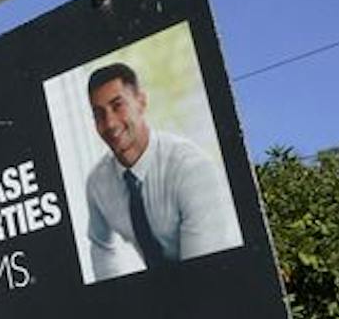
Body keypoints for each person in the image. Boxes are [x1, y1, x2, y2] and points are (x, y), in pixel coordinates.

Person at [83, 62, 240, 280]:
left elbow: (201, 274)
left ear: (141, 102)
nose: (109, 123)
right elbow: (101, 246)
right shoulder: (97, 184)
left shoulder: (190, 168)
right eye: (99, 114)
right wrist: (117, 295)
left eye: (117, 106)